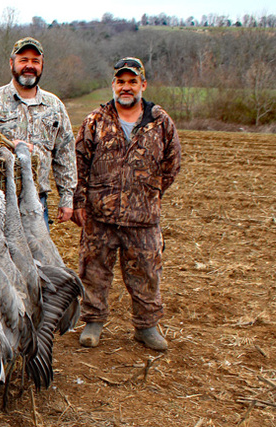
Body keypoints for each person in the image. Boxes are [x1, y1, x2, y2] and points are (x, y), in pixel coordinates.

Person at [72, 57, 182, 351]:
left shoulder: (161, 122)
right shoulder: (95, 120)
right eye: (121, 81)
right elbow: (79, 162)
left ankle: (146, 327)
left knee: (147, 273)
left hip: (143, 218)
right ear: (113, 85)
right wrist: (81, 201)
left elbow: (172, 163)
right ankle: (93, 321)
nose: (126, 87)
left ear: (143, 85)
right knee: (93, 271)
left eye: (132, 81)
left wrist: (149, 192)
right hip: (100, 215)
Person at [0, 37, 75, 227]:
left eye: (35, 61)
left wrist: (67, 197)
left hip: (37, 203)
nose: (29, 66)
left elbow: (65, 153)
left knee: (40, 256)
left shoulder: (54, 105)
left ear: (42, 65)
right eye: (23, 60)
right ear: (12, 63)